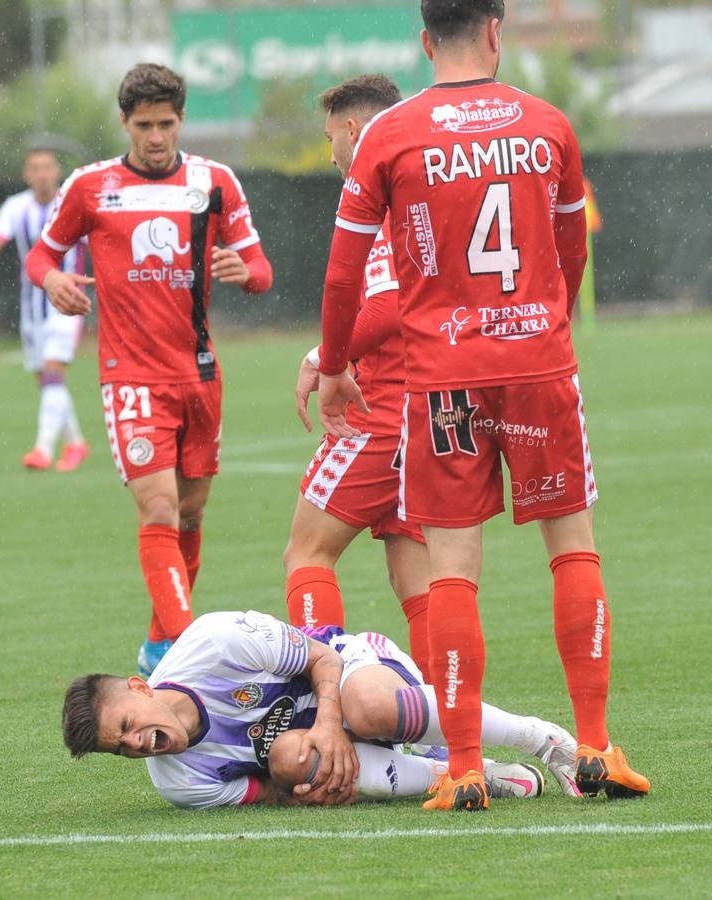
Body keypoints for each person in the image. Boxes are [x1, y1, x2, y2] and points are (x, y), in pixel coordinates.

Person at [315, 0, 649, 810]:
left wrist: (332, 366)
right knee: (571, 549)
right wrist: (545, 325)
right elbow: (570, 251)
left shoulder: (389, 134)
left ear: (426, 40)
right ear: (496, 30)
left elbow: (340, 275)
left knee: (454, 570)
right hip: (537, 363)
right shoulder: (548, 125)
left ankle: (464, 768)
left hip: (443, 380)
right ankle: (598, 747)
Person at [26, 64, 273, 677]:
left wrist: (249, 273)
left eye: (166, 124)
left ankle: (160, 642)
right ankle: (191, 655)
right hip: (130, 375)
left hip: (200, 373)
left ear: (181, 120)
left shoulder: (216, 182)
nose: (156, 136)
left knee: (190, 513)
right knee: (158, 509)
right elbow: (41, 254)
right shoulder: (90, 186)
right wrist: (52, 278)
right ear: (125, 123)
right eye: (144, 125)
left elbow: (261, 268)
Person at [61, 609, 581, 809]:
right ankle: (471, 774)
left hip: (350, 671)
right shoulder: (179, 783)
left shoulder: (213, 642)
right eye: (121, 749)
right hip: (330, 748)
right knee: (289, 760)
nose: (135, 744)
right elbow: (270, 792)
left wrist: (330, 724)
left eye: (126, 726)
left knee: (369, 705)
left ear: (140, 686)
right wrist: (305, 792)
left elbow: (321, 656)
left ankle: (545, 741)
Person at [284, 74, 436, 683]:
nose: (331, 155)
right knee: (416, 579)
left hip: (380, 408)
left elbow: (387, 303)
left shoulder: (379, 194)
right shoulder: (427, 183)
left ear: (353, 129)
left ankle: (329, 695)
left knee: (307, 553)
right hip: (433, 407)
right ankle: (439, 721)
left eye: (330, 139)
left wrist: (324, 356)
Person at [0, 144, 90, 473]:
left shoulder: (72, 204)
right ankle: (76, 442)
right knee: (48, 381)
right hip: (32, 309)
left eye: (47, 167)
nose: (41, 174)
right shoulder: (16, 207)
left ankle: (42, 449)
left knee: (53, 371)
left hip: (66, 305)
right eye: (34, 168)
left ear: (57, 171)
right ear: (27, 174)